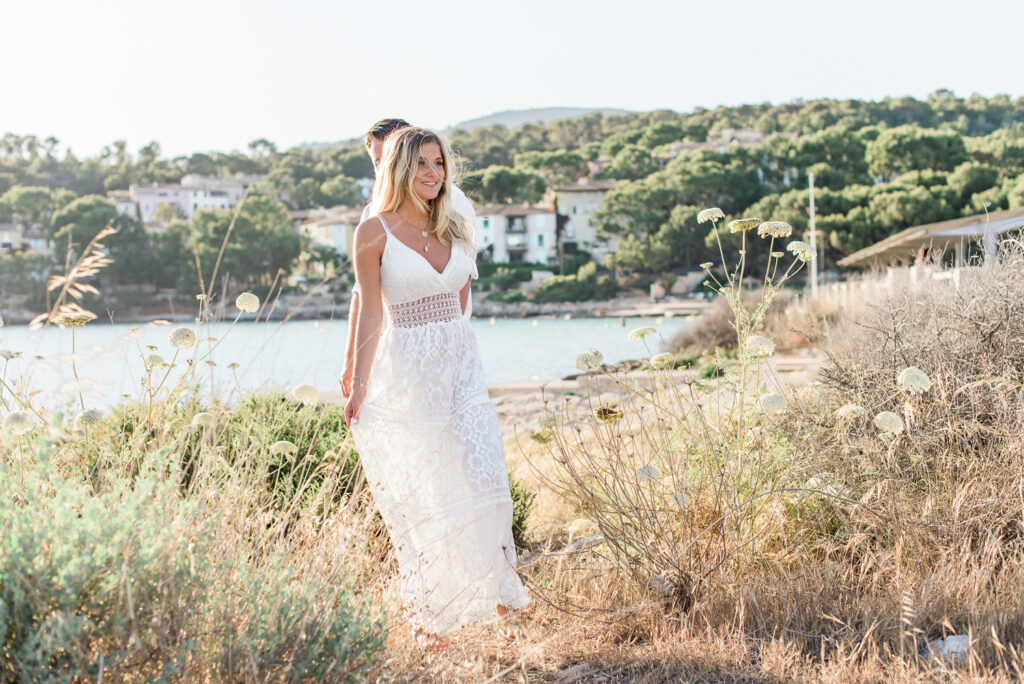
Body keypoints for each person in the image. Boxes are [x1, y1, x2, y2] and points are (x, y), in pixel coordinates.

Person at [343, 127, 529, 643]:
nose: (433, 173)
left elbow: (462, 295)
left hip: (461, 366)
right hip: (408, 370)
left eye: (439, 163)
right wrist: (357, 383)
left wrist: (455, 338)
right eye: (422, 164)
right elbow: (371, 312)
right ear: (399, 168)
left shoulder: (456, 223)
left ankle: (499, 602)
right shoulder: (372, 232)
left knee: (486, 479)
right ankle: (432, 618)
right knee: (425, 493)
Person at [341, 118, 476, 396]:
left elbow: (464, 277)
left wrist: (451, 339)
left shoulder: (453, 205)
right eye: (377, 162)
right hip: (393, 350)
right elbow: (363, 297)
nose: (383, 169)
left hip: (452, 351)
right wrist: (351, 363)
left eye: (388, 159)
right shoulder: (372, 220)